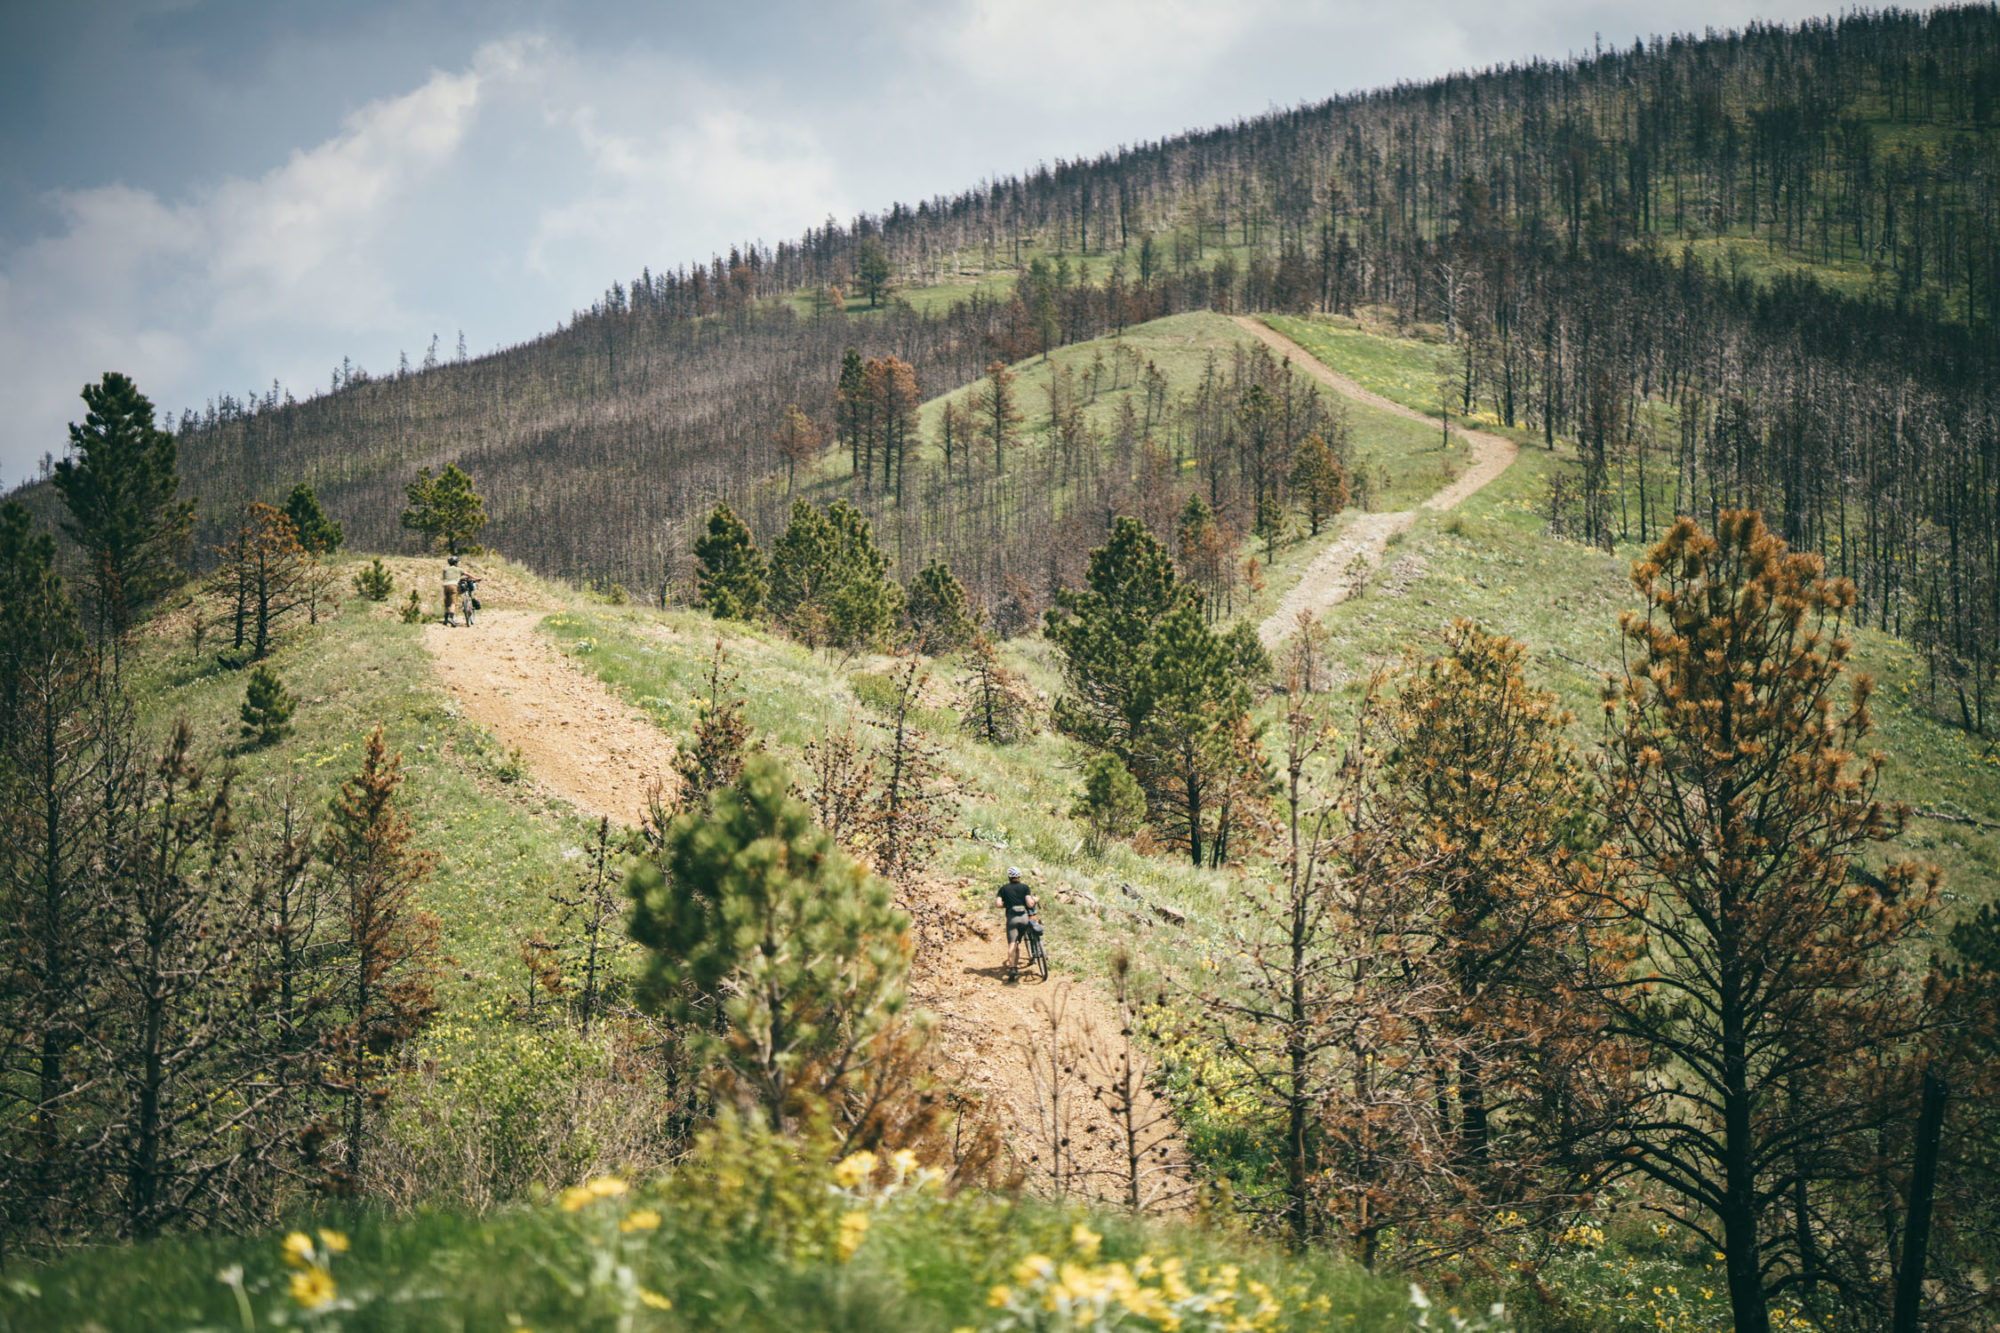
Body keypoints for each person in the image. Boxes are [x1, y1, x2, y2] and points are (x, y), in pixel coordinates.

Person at [995, 867, 1039, 977]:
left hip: (1012, 919)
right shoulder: (1025, 887)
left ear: (1009, 877)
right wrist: (1034, 900)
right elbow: (1029, 904)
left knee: (1012, 944)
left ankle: (1013, 968)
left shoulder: (1003, 889)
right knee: (1018, 942)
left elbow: (998, 904)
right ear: (1019, 876)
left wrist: (1007, 905)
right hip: (1023, 918)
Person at [441, 555, 461, 626]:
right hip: (453, 586)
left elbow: (444, 577)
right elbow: (467, 574)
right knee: (453, 603)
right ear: (455, 563)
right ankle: (452, 619)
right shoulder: (458, 569)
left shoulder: (445, 569)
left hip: (445, 586)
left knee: (447, 603)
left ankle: (446, 619)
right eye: (458, 562)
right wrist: (476, 578)